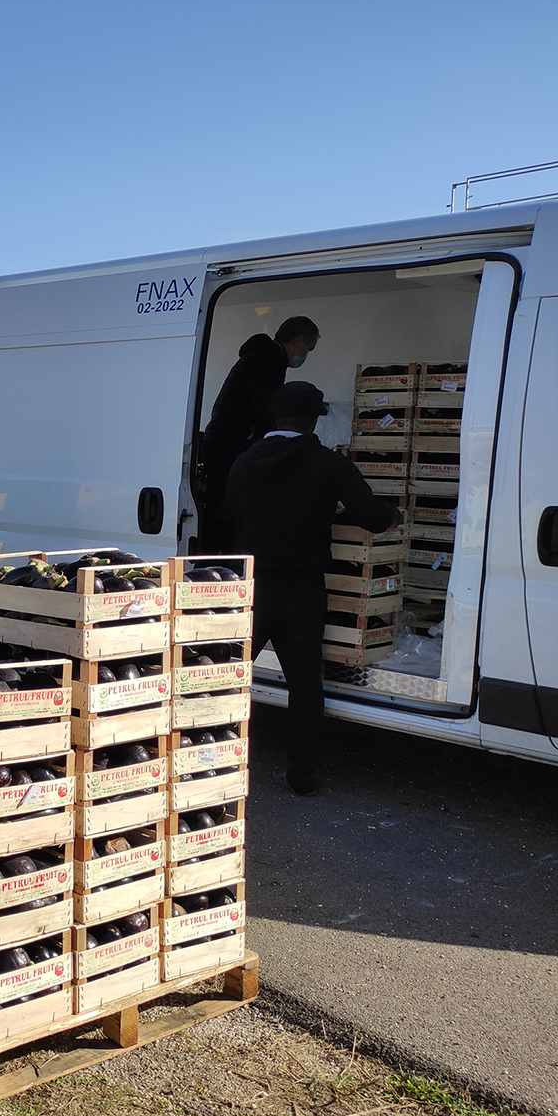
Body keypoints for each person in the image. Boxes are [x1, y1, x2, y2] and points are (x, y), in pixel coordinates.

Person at [223, 382, 399, 797]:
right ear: (313, 418)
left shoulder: (242, 463)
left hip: (251, 591)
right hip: (303, 592)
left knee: (228, 680)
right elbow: (372, 517)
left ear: (274, 418)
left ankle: (211, 767)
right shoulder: (328, 464)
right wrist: (393, 514)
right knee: (304, 686)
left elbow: (229, 517)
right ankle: (301, 776)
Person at [199, 315, 321, 551]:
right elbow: (266, 412)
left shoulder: (261, 357)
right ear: (297, 339)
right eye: (309, 348)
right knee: (224, 516)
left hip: (223, 445)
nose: (306, 355)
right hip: (229, 449)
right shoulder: (268, 361)